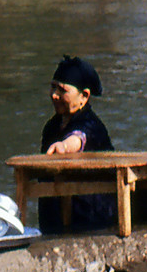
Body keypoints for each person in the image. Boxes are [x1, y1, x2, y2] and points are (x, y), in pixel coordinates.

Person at [37, 56, 117, 232]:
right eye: (53, 87)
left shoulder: (92, 125)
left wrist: (64, 147)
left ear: (84, 96)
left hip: (93, 217)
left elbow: (79, 138)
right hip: (55, 218)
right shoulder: (51, 126)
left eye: (62, 90)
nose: (54, 95)